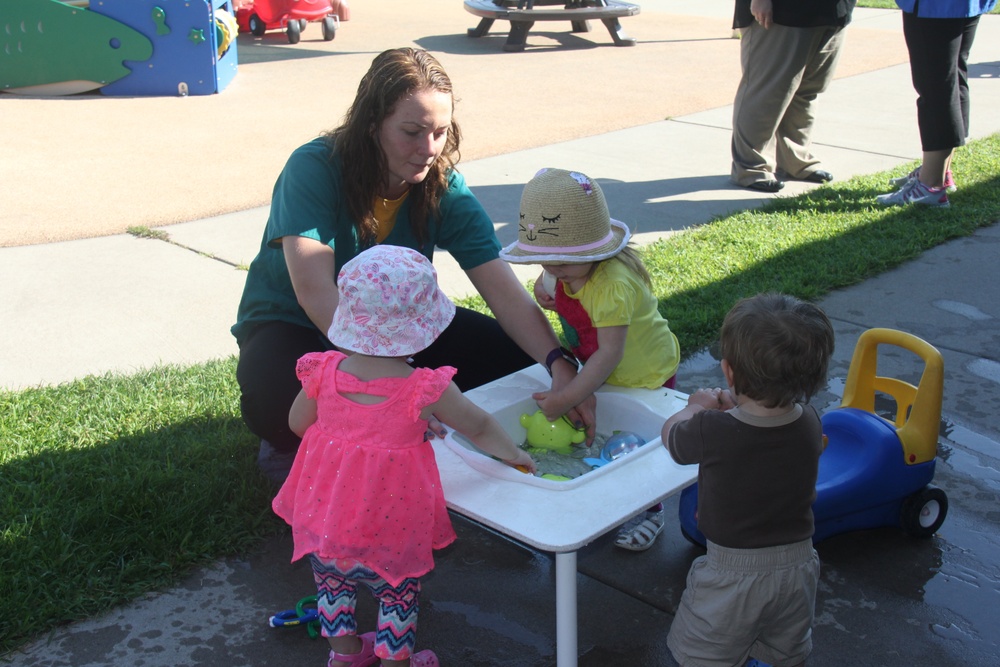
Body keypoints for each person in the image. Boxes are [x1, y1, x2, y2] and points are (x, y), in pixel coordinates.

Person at [231, 48, 592, 482]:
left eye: (440, 132)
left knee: (520, 360)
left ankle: (395, 423)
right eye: (412, 131)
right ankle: (302, 448)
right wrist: (394, 384)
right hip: (295, 323)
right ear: (371, 124)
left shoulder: (442, 185)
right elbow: (314, 292)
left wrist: (557, 363)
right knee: (271, 402)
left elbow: (500, 288)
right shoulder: (314, 167)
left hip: (403, 330)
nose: (428, 149)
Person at [273, 246, 537, 667]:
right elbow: (479, 427)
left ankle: (345, 656)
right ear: (425, 326)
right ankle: (397, 661)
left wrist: (349, 436)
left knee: (333, 590)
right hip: (390, 532)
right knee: (397, 600)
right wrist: (514, 453)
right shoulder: (425, 388)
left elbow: (297, 424)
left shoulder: (323, 371)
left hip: (325, 521)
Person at [499, 167, 681, 552]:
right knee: (607, 437)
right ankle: (610, 495)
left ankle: (652, 511)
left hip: (645, 374)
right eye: (544, 262)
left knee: (646, 446)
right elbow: (552, 281)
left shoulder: (612, 285)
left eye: (561, 263)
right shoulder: (570, 270)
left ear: (594, 253)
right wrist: (543, 286)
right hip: (601, 366)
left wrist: (565, 398)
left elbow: (609, 354)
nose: (552, 270)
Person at [662, 293, 835, 667]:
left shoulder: (711, 428)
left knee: (702, 656)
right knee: (780, 654)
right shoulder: (809, 420)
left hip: (732, 573)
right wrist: (736, 410)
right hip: (798, 565)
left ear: (729, 371)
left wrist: (693, 409)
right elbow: (765, 447)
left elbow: (674, 441)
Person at [876, 0, 997, 208]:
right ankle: (937, 172)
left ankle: (931, 184)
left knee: (935, 87)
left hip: (935, 6)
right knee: (951, 79)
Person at [730, 0, 856, 193]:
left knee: (807, 90)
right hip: (783, 11)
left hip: (832, 10)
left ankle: (795, 161)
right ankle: (751, 168)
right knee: (767, 93)